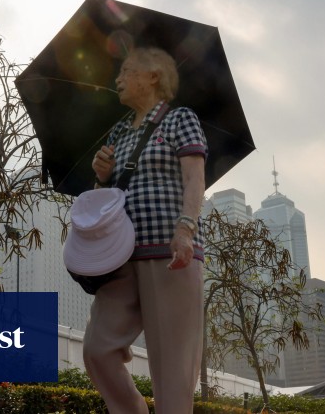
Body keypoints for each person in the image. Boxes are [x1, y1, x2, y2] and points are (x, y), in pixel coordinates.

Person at [83, 46, 207, 414]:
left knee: (172, 370)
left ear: (153, 75)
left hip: (170, 252)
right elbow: (104, 199)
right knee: (97, 350)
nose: (118, 79)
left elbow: (194, 177)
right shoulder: (118, 131)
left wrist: (185, 229)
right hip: (120, 256)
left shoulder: (178, 118)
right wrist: (102, 176)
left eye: (126, 71)